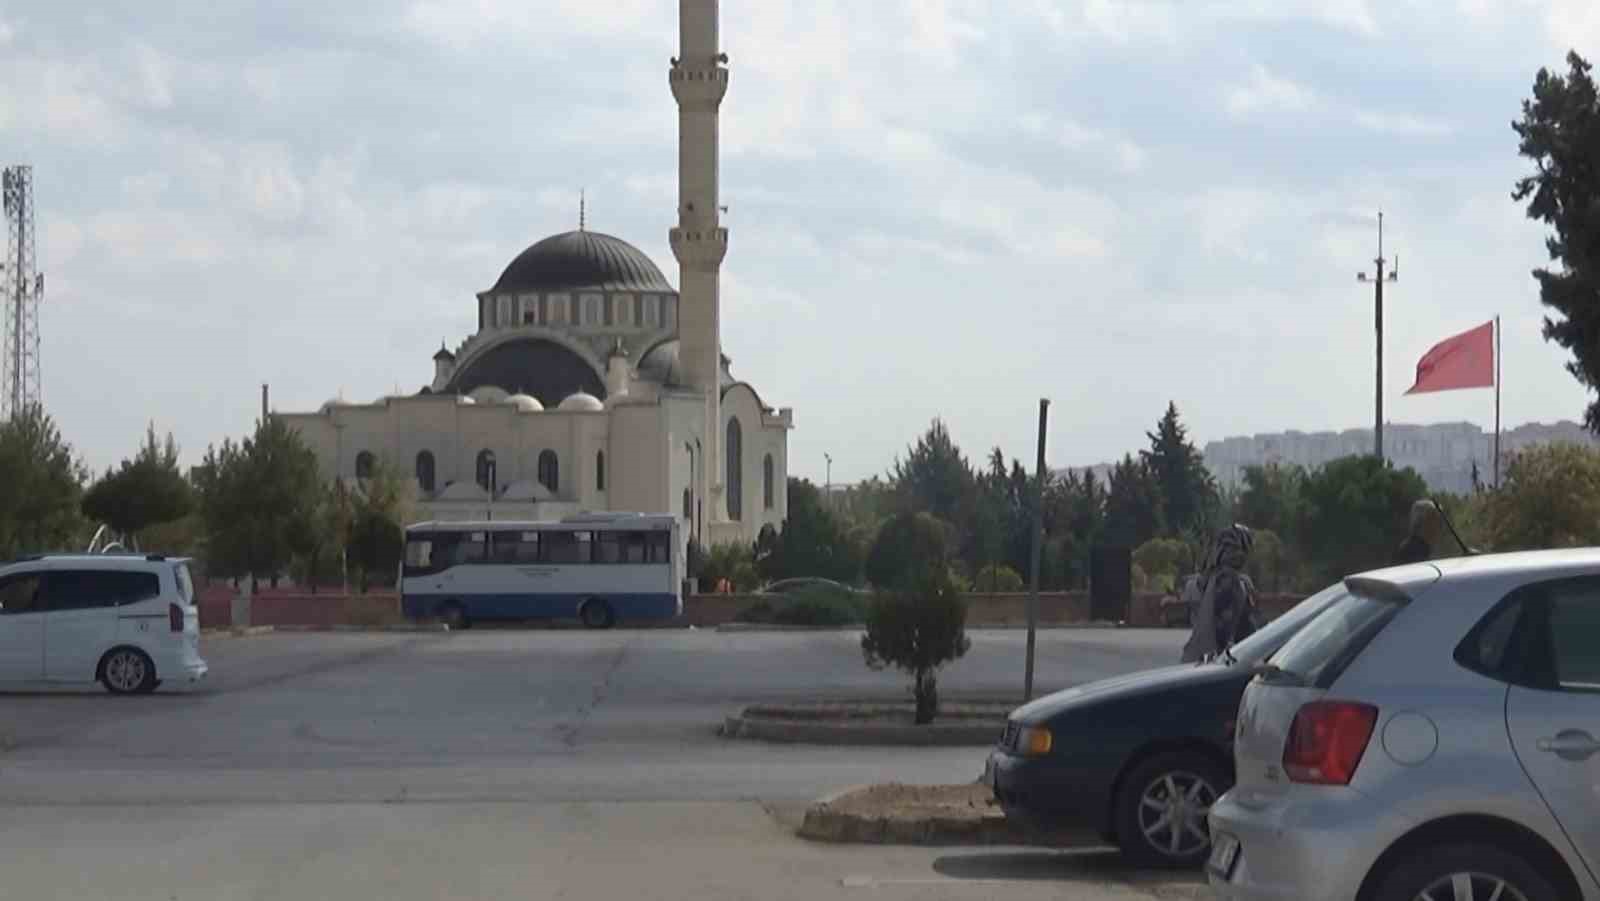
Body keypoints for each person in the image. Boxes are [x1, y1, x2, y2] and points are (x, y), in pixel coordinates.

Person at [1181, 524, 1257, 663]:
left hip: (1197, 658)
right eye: (1233, 549)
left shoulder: (1200, 581)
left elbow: (1246, 626)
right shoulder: (1230, 581)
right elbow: (1226, 629)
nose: (1237, 555)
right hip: (1212, 661)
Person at [1393, 499, 1444, 565]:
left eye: (1439, 519)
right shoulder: (1412, 551)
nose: (1439, 525)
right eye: (1434, 518)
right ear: (1420, 521)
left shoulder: (1427, 549)